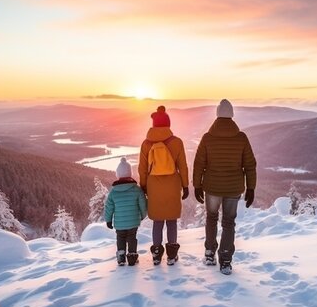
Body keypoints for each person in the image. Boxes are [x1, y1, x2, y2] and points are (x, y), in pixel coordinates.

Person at [193, 99, 257, 275]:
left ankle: (209, 252)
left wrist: (197, 185)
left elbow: (199, 163)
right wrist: (251, 188)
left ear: (217, 114)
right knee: (229, 223)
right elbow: (250, 165)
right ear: (232, 115)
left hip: (212, 187)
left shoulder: (207, 137)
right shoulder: (241, 138)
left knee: (211, 218)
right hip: (233, 188)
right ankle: (226, 260)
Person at [138, 106, 189, 265]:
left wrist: (144, 186)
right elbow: (183, 165)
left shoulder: (146, 144)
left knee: (158, 221)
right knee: (171, 220)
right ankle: (172, 256)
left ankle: (157, 254)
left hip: (154, 186)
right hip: (173, 184)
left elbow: (142, 168)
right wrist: (185, 185)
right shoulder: (177, 142)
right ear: (168, 124)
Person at [105, 157, 147, 266]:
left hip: (119, 224)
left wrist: (108, 220)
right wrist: (143, 215)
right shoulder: (136, 189)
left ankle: (121, 256)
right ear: (130, 173)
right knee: (132, 238)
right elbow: (143, 203)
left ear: (118, 174)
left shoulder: (113, 192)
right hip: (133, 221)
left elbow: (108, 207)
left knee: (120, 238)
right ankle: (132, 256)